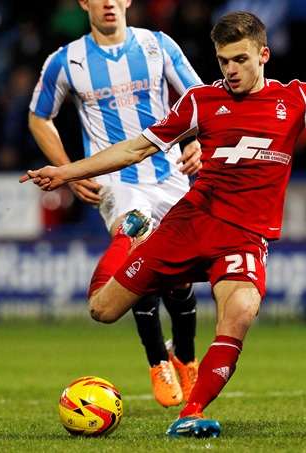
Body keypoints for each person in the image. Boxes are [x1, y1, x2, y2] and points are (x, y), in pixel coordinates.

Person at [22, 11, 306, 438]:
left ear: (264, 54)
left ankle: (190, 413)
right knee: (102, 310)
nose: (230, 70)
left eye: (240, 60)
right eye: (223, 61)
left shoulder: (298, 99)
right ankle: (131, 236)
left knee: (241, 311)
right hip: (187, 226)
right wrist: (67, 172)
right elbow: (136, 148)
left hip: (243, 239)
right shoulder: (200, 101)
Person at [28, 0, 204, 408]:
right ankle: (157, 360)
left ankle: (186, 356)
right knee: (137, 249)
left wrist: (196, 140)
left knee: (178, 276)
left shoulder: (157, 46)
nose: (108, 2)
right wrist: (69, 170)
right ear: (84, 3)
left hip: (171, 172)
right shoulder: (66, 60)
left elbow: (199, 98)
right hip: (118, 183)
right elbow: (39, 117)